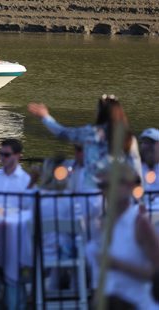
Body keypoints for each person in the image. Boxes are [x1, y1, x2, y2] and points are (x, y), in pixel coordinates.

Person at [28, 95, 142, 189]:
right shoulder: (128, 138)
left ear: (101, 113)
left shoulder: (90, 133)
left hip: (91, 194)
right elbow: (136, 169)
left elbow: (62, 132)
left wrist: (45, 116)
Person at [98, 164, 159, 308]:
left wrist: (117, 265)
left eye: (115, 183)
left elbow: (156, 273)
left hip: (138, 302)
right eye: (104, 185)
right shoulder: (104, 224)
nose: (109, 190)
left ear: (129, 186)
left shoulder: (139, 223)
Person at [0, 139, 31, 211]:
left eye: (6, 155)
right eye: (0, 154)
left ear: (17, 156)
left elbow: (30, 208)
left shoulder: (27, 181)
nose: (2, 158)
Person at [139, 128, 159, 206]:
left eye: (151, 143)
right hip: (139, 213)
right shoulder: (135, 169)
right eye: (144, 142)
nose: (147, 146)